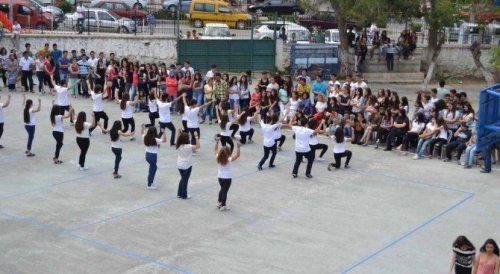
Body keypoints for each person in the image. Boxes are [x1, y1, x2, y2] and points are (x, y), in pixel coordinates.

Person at [214, 135, 241, 211]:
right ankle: (223, 205)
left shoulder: (218, 157)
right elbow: (237, 155)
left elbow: (215, 150)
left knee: (222, 189)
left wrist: (217, 142)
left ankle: (219, 202)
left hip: (220, 177)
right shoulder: (229, 159)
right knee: (225, 191)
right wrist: (238, 147)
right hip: (227, 178)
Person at [176, 129, 200, 200]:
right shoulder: (188, 146)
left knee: (183, 179)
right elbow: (198, 146)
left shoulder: (178, 144)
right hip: (187, 165)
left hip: (179, 165)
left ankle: (179, 193)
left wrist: (178, 133)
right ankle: (184, 195)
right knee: (185, 180)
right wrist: (196, 137)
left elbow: (178, 139)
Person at [141, 124, 167, 190]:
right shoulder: (155, 139)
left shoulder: (145, 137)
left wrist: (142, 128)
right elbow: (164, 140)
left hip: (147, 155)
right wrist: (163, 132)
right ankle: (149, 184)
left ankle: (151, 182)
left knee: (153, 168)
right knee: (152, 170)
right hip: (153, 156)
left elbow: (142, 133)